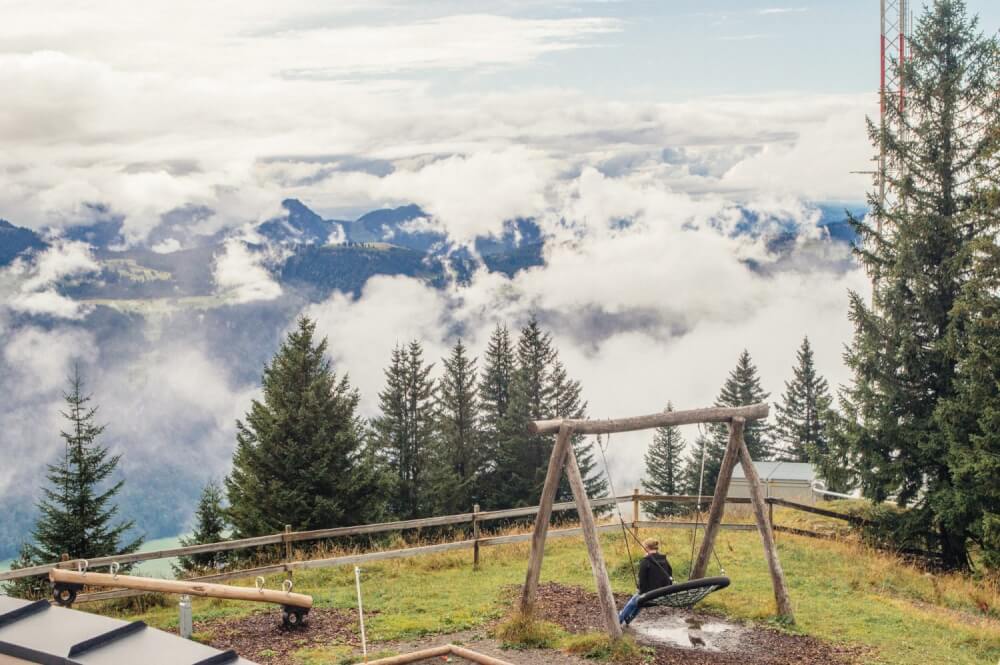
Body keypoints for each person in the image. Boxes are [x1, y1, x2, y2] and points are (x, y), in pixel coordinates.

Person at [618, 538, 673, 627]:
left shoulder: (646, 561)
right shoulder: (665, 560)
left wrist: (641, 592)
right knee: (638, 601)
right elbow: (670, 574)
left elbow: (642, 580)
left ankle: (619, 619)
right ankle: (628, 619)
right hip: (664, 593)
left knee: (635, 600)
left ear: (647, 548)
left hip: (650, 594)